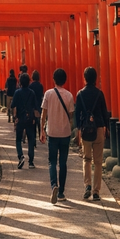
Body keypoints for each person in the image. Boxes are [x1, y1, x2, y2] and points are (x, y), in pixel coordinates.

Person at [40, 68, 74, 204]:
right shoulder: (69, 96)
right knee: (63, 163)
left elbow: (43, 115)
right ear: (64, 80)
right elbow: (71, 115)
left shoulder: (48, 94)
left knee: (52, 161)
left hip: (52, 132)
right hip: (65, 132)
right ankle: (61, 193)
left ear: (54, 80)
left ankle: (54, 185)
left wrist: (42, 130)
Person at [75, 67, 109, 201]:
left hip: (85, 130)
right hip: (99, 128)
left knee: (87, 159)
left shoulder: (80, 94)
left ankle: (87, 185)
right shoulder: (99, 94)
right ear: (95, 79)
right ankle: (96, 191)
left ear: (85, 78)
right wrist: (106, 127)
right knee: (98, 162)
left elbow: (77, 115)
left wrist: (78, 131)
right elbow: (104, 112)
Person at [11, 73, 38, 169]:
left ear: (20, 82)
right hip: (30, 118)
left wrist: (15, 118)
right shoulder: (32, 93)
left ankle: (21, 156)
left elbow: (13, 105)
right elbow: (35, 107)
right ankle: (31, 162)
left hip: (20, 118)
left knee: (18, 139)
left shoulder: (17, 92)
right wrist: (35, 119)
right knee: (31, 139)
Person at [30, 70, 45, 142]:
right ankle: (40, 135)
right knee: (39, 121)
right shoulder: (40, 85)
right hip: (39, 104)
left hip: (32, 105)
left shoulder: (31, 85)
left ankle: (33, 138)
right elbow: (42, 95)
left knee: (33, 122)